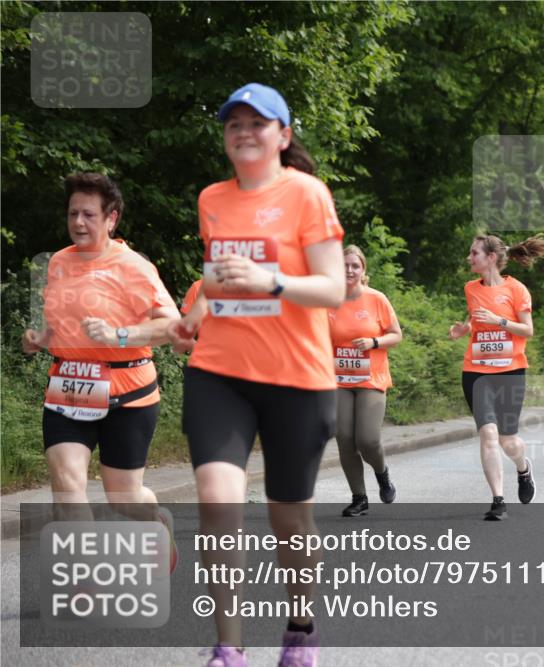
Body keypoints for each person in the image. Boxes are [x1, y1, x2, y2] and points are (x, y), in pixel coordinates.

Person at [166, 83, 345, 667]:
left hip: (298, 377)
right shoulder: (212, 198)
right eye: (234, 124)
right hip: (220, 372)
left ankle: (300, 628)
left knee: (288, 517)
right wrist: (195, 313)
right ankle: (229, 647)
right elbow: (218, 277)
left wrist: (272, 282)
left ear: (283, 136)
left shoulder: (307, 194)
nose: (244, 132)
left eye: (257, 123)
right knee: (218, 499)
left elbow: (332, 288)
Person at [21, 172, 180, 567]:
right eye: (72, 213)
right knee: (67, 485)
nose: (78, 222)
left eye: (89, 215)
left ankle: (155, 521)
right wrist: (40, 338)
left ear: (112, 218)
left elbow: (172, 326)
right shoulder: (59, 262)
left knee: (124, 497)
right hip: (68, 388)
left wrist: (118, 334)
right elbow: (61, 320)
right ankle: (86, 578)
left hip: (128, 393)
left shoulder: (133, 267)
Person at [449, 233, 544, 520]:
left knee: (509, 441)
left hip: (510, 372)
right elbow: (476, 318)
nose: (469, 258)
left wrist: (500, 321)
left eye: (474, 253)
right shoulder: (470, 288)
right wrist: (465, 329)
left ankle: (523, 468)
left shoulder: (517, 289)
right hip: (476, 371)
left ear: (491, 258)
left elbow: (528, 330)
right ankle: (498, 500)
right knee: (488, 433)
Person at [329, 246, 403, 517]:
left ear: (363, 270)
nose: (349, 270)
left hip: (371, 377)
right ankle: (359, 498)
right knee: (345, 438)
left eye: (355, 266)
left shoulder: (376, 299)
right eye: (344, 265)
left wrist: (374, 342)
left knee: (368, 440)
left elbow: (396, 335)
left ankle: (382, 473)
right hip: (339, 379)